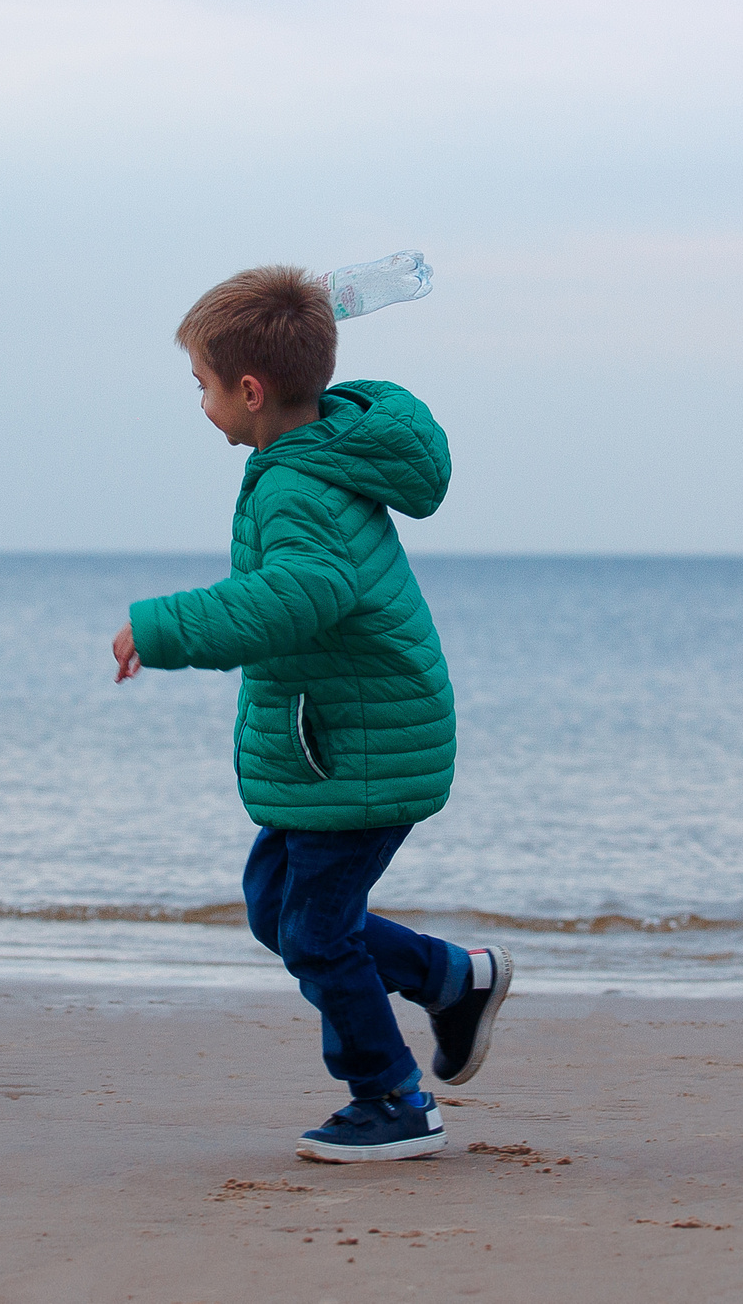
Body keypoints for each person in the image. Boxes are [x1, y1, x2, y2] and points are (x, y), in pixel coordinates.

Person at [112, 264, 509, 1164]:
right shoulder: (313, 452)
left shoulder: (294, 486)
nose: (201, 403)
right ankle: (454, 980)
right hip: (339, 735)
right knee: (278, 909)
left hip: (360, 746)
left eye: (204, 386)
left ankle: (392, 1098)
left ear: (251, 391)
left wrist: (163, 627)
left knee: (316, 932)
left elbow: (300, 594)